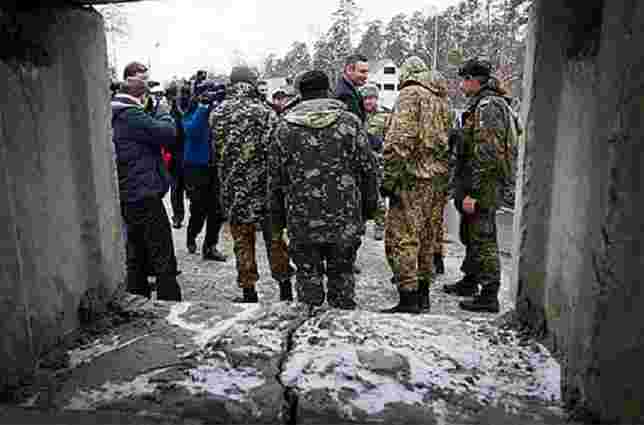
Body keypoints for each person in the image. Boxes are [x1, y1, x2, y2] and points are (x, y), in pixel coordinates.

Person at [269, 70, 378, 311]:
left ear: (301, 93)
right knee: (342, 276)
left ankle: (308, 338)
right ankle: (340, 336)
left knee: (308, 281)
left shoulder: (284, 127)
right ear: (327, 90)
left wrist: (276, 219)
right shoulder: (350, 122)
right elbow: (368, 169)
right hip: (345, 218)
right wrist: (369, 208)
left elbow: (275, 179)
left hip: (302, 219)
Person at [444, 58, 520, 313]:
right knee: (470, 233)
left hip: (483, 184)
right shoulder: (481, 104)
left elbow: (488, 154)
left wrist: (475, 194)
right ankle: (471, 280)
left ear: (475, 80)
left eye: (464, 79)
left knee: (483, 237)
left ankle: (489, 295)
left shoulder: (488, 106)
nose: (461, 84)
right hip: (474, 181)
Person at [210, 65, 291, 303]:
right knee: (275, 240)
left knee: (242, 242)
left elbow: (216, 151)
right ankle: (285, 290)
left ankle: (249, 293)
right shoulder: (264, 111)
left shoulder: (217, 112)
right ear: (251, 82)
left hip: (233, 188)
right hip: (265, 188)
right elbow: (276, 150)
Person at [380, 56, 451, 314]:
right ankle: (423, 295)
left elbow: (399, 140)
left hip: (412, 179)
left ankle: (408, 298)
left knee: (402, 238)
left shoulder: (410, 94)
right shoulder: (441, 98)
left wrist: (388, 179)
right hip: (437, 179)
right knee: (427, 238)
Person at [111, 72, 182, 301]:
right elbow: (167, 134)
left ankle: (138, 298)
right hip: (144, 193)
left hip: (128, 192)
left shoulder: (113, 113)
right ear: (141, 96)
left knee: (137, 252)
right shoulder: (130, 114)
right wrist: (163, 110)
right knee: (162, 254)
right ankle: (169, 301)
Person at [183, 80, 228, 262]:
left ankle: (210, 246)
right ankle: (191, 235)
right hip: (195, 167)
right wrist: (203, 107)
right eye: (207, 93)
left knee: (217, 210)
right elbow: (191, 131)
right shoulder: (189, 110)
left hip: (215, 166)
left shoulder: (219, 110)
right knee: (199, 209)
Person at [360, 84, 389, 241]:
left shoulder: (385, 115)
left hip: (378, 161)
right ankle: (361, 222)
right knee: (360, 192)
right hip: (361, 161)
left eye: (372, 98)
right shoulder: (357, 115)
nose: (369, 101)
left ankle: (380, 225)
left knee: (379, 195)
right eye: (366, 98)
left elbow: (390, 138)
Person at [165, 81, 186, 229]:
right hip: (175, 156)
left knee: (184, 188)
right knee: (176, 188)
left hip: (187, 155)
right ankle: (177, 216)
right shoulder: (170, 113)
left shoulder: (188, 110)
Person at [335, 53, 369, 123]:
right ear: (349, 70)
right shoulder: (345, 95)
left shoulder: (352, 91)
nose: (366, 76)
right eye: (362, 72)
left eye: (367, 72)